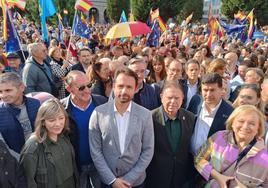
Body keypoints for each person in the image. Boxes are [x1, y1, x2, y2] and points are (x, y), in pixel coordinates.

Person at [89, 67, 154, 188]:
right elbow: (95, 151)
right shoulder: (98, 113)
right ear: (113, 86)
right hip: (107, 182)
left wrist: (128, 179)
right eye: (120, 86)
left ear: (135, 89)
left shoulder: (145, 115)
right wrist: (112, 180)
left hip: (135, 183)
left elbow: (148, 150)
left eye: (129, 87)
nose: (124, 91)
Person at [195, 105, 268, 187]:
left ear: (258, 128)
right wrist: (218, 176)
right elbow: (198, 159)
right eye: (241, 121)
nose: (245, 126)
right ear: (232, 123)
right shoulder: (218, 137)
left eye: (252, 123)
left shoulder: (265, 157)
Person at [61, 70, 107, 188]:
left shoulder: (102, 102)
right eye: (81, 88)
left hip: (100, 164)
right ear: (69, 88)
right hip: (75, 166)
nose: (87, 90)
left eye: (89, 85)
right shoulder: (61, 109)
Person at [19, 99, 79, 188]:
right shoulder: (32, 147)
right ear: (43, 122)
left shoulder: (64, 136)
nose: (58, 124)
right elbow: (28, 181)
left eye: (61, 118)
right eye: (52, 120)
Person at [146, 81, 195, 188]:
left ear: (183, 98)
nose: (173, 101)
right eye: (169, 97)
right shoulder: (149, 118)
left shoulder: (190, 118)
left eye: (177, 98)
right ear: (161, 97)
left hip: (180, 179)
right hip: (155, 179)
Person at [188, 73, 234, 155]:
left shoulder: (230, 113)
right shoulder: (196, 101)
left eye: (212, 90)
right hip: (188, 159)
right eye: (205, 90)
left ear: (221, 90)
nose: (208, 94)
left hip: (210, 164)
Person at [0, 72, 40, 155]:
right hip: (16, 162)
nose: (3, 95)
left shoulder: (36, 104)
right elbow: (3, 146)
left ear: (21, 87)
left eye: (8, 90)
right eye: (0, 92)